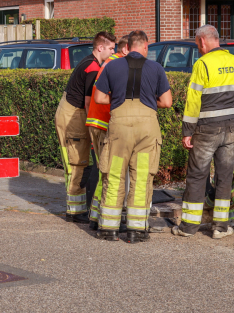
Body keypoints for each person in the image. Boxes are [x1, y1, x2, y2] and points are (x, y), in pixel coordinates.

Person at [92, 30, 172, 243]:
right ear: (145, 46)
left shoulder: (111, 65)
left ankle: (109, 228)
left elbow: (99, 98)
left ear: (127, 46)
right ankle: (136, 230)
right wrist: (146, 103)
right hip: (147, 128)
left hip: (119, 126)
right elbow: (167, 102)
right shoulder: (156, 68)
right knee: (142, 177)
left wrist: (118, 100)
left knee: (115, 174)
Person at [172, 25, 234, 239]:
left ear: (203, 41)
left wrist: (187, 130)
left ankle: (188, 227)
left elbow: (194, 100)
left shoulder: (202, 64)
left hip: (207, 129)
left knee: (197, 175)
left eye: (197, 43)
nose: (198, 47)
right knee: (225, 176)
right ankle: (220, 228)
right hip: (232, 127)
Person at [55, 31, 117, 223]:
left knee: (77, 163)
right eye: (111, 49)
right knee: (77, 164)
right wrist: (95, 130)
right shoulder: (92, 67)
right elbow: (90, 104)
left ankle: (76, 209)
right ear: (101, 48)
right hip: (74, 117)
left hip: (70, 113)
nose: (113, 52)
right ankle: (75, 212)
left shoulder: (91, 62)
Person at [86, 35, 129, 229]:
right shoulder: (117, 64)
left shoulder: (110, 63)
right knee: (108, 173)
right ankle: (101, 217)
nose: (111, 52)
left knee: (104, 171)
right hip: (104, 123)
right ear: (127, 49)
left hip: (96, 121)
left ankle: (95, 215)